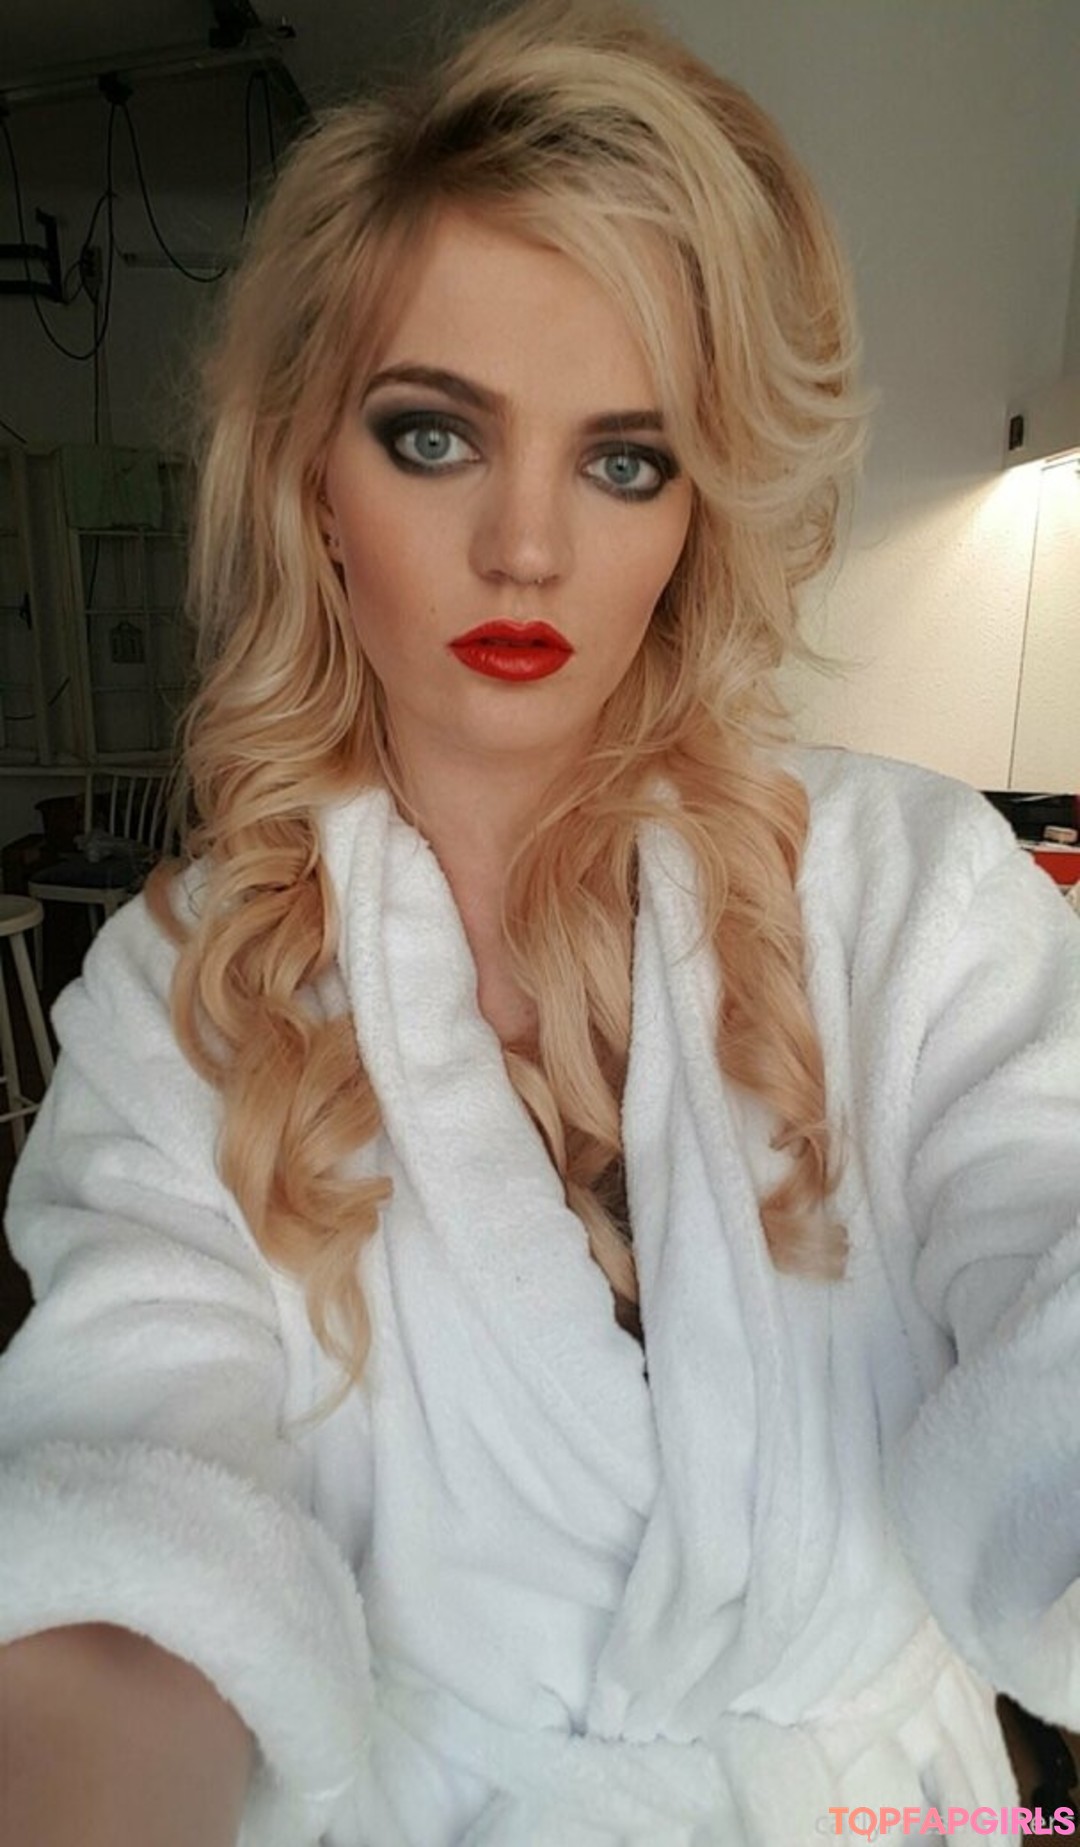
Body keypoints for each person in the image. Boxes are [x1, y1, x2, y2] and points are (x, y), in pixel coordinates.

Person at [1, 2, 1078, 1842]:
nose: (526, 546)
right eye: (434, 438)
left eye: (624, 460)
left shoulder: (900, 888)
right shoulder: (185, 997)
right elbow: (129, 1531)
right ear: (314, 483)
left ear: (698, 509)